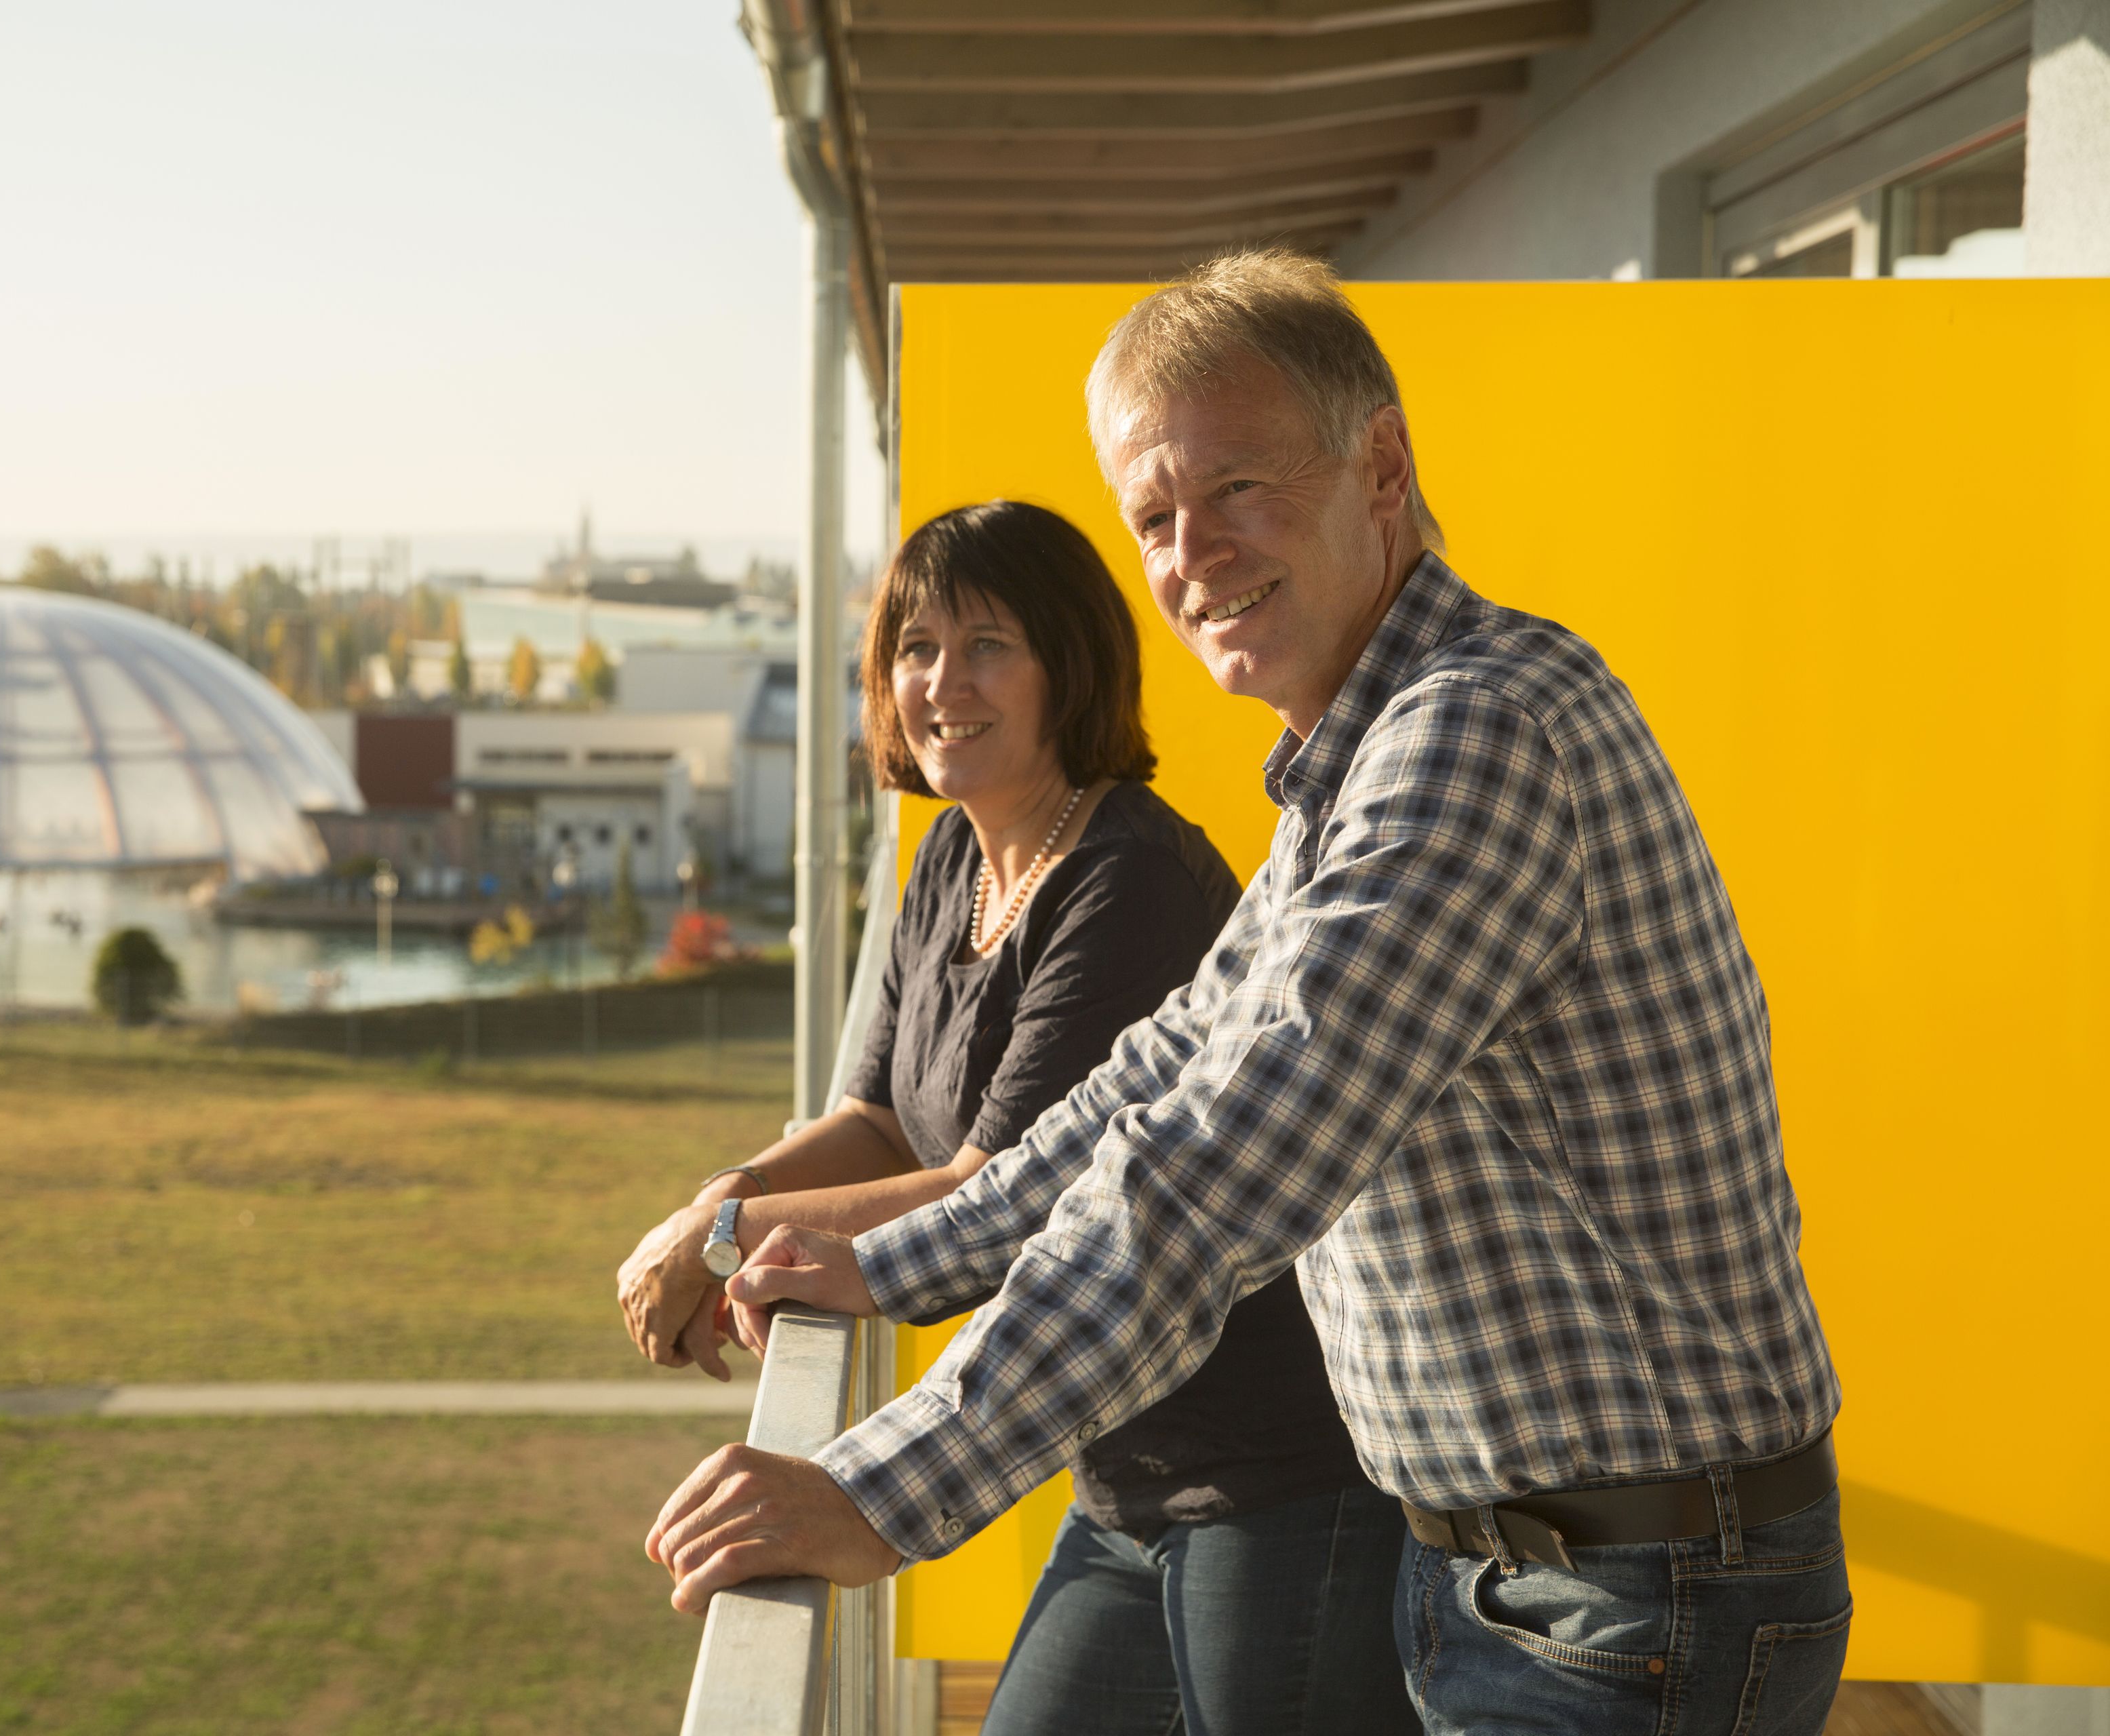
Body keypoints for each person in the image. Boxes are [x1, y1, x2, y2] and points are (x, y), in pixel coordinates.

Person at [647, 249, 1848, 1736]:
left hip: (1633, 1597)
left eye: (1237, 490)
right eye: (1156, 514)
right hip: (1521, 1568)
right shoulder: (1355, 765)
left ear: (1381, 465)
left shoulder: (1475, 737)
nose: (1193, 552)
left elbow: (1224, 1166)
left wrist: (882, 1490)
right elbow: (1160, 1080)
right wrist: (886, 1266)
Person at [616, 498, 1416, 1735]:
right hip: (1116, 1466)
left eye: (988, 644)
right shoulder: (949, 858)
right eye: (915, 648)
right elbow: (882, 1121)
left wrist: (720, 1237)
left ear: (1069, 666)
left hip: (1279, 1485)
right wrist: (717, 1199)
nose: (942, 682)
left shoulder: (1129, 876)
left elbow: (997, 1187)